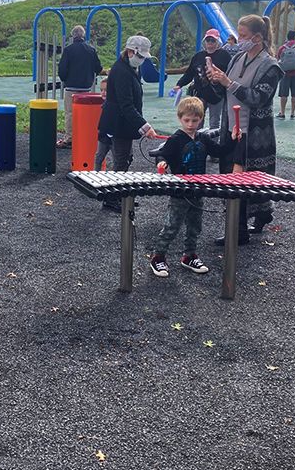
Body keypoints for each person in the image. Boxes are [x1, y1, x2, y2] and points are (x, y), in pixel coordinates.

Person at [206, 15, 283, 241]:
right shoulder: (238, 57)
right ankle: (259, 217)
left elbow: (258, 97)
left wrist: (228, 82)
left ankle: (239, 231)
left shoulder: (271, 66)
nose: (239, 39)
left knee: (248, 180)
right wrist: (214, 80)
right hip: (231, 127)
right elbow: (225, 92)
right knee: (232, 177)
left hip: (253, 134)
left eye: (243, 35)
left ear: (257, 38)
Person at [149, 97, 238, 278]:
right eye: (187, 120)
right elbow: (162, 155)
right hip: (179, 192)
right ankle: (158, 257)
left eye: (195, 120)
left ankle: (189, 256)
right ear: (180, 118)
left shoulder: (203, 138)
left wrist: (233, 139)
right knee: (172, 225)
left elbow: (220, 151)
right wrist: (163, 163)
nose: (190, 124)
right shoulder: (176, 139)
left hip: (198, 190)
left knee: (195, 226)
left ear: (200, 119)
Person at [98, 35, 157, 210]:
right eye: (140, 57)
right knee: (121, 160)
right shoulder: (122, 71)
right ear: (130, 51)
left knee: (125, 159)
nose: (141, 60)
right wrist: (145, 126)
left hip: (124, 123)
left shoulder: (128, 67)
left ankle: (119, 195)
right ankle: (112, 197)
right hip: (118, 123)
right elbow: (126, 104)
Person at [173, 28, 231, 130]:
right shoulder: (198, 56)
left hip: (217, 93)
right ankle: (197, 143)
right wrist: (179, 84)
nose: (210, 43)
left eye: (213, 40)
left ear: (218, 42)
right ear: (204, 41)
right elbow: (190, 73)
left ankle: (212, 143)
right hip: (200, 93)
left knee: (214, 122)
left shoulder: (224, 55)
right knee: (197, 120)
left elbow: (230, 72)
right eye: (208, 40)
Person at [57, 25, 102, 148]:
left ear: (73, 36)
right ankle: (84, 136)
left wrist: (64, 79)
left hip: (71, 86)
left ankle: (70, 138)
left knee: (70, 113)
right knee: (85, 113)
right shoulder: (91, 50)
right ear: (83, 35)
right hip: (86, 87)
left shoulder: (68, 50)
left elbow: (62, 69)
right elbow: (98, 67)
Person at [276, 30, 295, 119]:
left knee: (283, 94)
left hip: (285, 74)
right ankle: (293, 114)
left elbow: (278, 58)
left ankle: (282, 113)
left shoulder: (282, 48)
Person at [95, 78, 112, 169]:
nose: (103, 93)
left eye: (106, 90)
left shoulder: (113, 104)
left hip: (114, 135)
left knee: (117, 159)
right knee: (99, 157)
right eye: (101, 90)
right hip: (104, 134)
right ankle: (96, 175)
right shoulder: (105, 104)